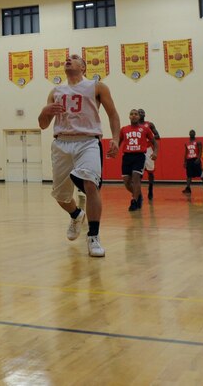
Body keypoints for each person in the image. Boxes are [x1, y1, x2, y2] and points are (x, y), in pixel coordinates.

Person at [38, 53, 122, 257]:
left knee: (90, 184)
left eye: (74, 58)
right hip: (61, 143)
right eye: (67, 58)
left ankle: (93, 237)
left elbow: (113, 114)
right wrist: (46, 110)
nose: (69, 59)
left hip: (88, 141)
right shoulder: (55, 91)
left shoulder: (97, 86)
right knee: (60, 196)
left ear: (84, 67)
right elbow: (42, 124)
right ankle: (76, 214)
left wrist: (116, 139)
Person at [117, 109, 154, 211]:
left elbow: (154, 142)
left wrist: (155, 153)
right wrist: (115, 150)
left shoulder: (145, 129)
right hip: (127, 157)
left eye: (135, 114)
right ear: (129, 116)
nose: (133, 116)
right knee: (127, 182)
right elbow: (119, 141)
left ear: (139, 117)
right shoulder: (124, 129)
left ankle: (134, 201)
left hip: (139, 156)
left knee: (136, 177)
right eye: (131, 114)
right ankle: (138, 194)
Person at [138, 108, 160, 200]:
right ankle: (138, 193)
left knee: (150, 172)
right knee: (138, 173)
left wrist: (148, 136)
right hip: (139, 150)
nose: (141, 113)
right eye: (139, 112)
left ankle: (150, 190)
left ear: (144, 114)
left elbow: (158, 136)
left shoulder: (149, 124)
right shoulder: (134, 126)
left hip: (149, 149)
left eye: (142, 112)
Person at [182, 130, 203, 194]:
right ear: (189, 134)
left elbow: (200, 151)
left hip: (196, 159)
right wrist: (185, 161)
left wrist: (198, 158)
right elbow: (186, 152)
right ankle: (188, 188)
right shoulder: (186, 143)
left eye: (193, 133)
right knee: (189, 175)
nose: (192, 133)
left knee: (201, 174)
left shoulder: (198, 142)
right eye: (191, 133)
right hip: (189, 160)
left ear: (195, 134)